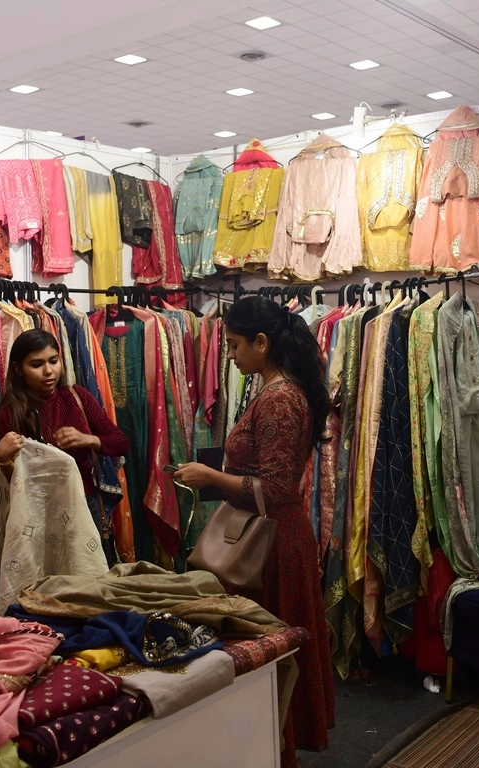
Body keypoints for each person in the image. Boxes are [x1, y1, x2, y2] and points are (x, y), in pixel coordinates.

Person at [174, 296, 333, 767]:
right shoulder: (273, 390)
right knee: (260, 647)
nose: (229, 355)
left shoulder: (280, 399)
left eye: (234, 344)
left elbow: (277, 489)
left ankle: (275, 748)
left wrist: (212, 477)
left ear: (261, 343)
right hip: (269, 537)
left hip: (272, 543)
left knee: (269, 648)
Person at [0, 329, 129, 548]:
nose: (48, 371)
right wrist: (1, 459)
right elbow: (17, 479)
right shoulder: (13, 412)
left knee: (92, 566)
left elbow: (121, 443)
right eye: (37, 365)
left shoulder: (77, 397)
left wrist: (89, 440)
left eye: (53, 361)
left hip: (84, 502)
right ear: (18, 369)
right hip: (41, 511)